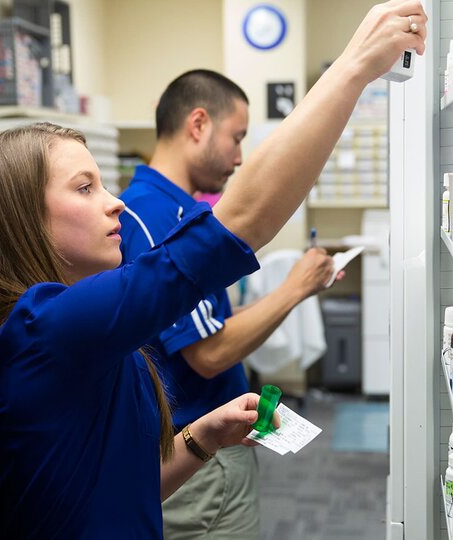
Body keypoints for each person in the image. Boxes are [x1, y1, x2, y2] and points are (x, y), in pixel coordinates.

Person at [0, 2, 426, 538]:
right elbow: (239, 224)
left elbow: (121, 487)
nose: (116, 205)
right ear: (21, 219)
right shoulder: (45, 329)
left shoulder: (74, 336)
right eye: (85, 189)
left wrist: (203, 437)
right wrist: (355, 66)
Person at [119, 69, 338, 539]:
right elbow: (209, 353)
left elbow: (203, 326)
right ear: (198, 124)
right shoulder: (159, 216)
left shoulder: (166, 207)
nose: (240, 157)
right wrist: (293, 288)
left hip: (200, 446)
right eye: (236, 137)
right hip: (198, 457)